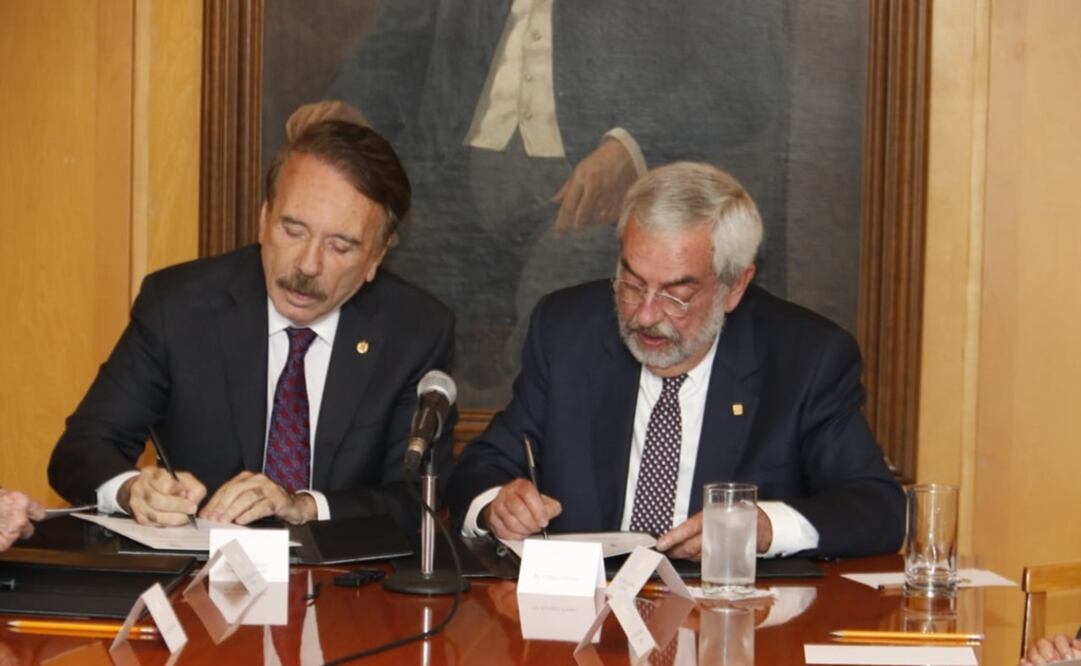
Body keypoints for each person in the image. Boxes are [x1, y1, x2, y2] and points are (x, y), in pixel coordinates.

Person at [448, 162, 905, 558]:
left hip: (729, 630)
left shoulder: (805, 358)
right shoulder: (569, 332)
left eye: (676, 295)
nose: (644, 315)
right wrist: (495, 504)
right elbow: (484, 463)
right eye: (631, 283)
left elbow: (878, 507)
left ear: (736, 286)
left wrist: (762, 528)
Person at [48, 121, 455, 530]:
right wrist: (131, 488)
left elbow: (415, 499)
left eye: (340, 246)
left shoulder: (414, 331)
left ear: (376, 257)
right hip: (197, 576)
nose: (307, 265)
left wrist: (304, 506)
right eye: (293, 230)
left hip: (347, 584)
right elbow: (80, 450)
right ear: (263, 219)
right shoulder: (179, 306)